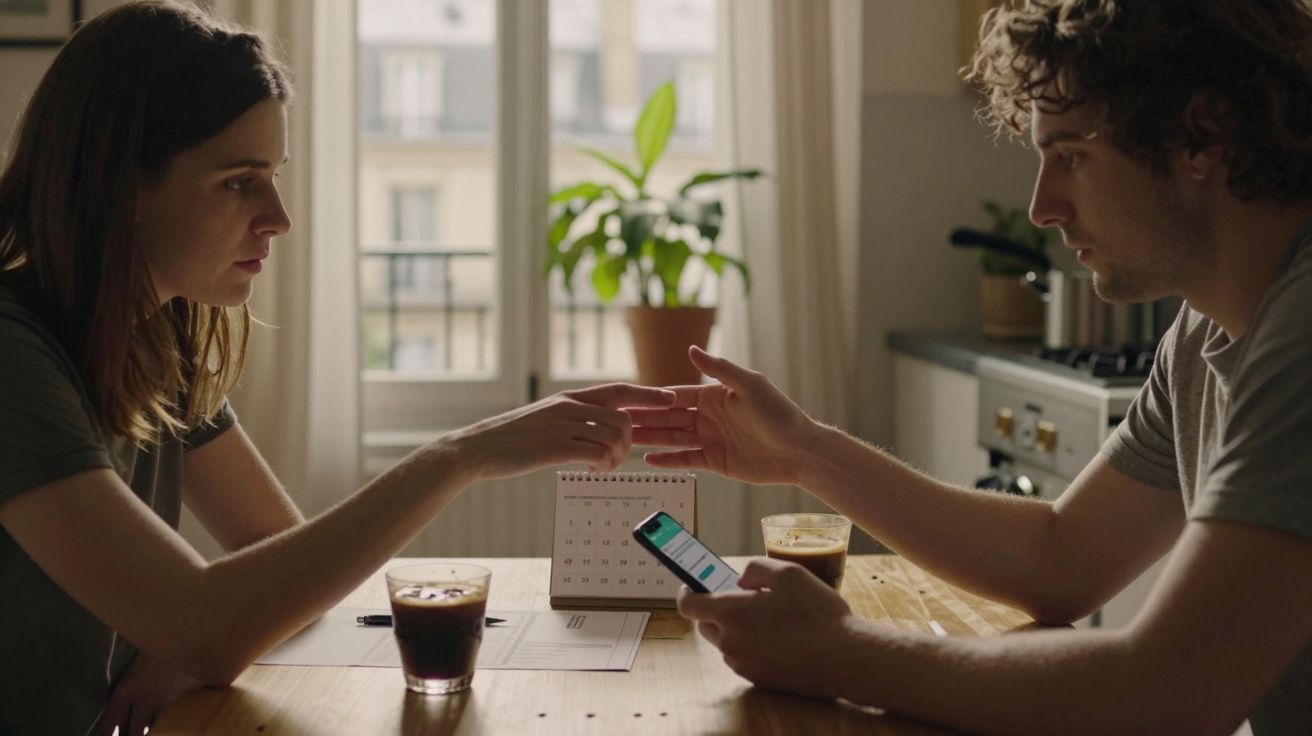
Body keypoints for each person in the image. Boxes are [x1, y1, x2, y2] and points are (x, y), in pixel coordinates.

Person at [631, 1, 1312, 734]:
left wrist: (837, 652)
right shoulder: (1206, 329)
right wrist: (805, 452)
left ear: (1202, 138)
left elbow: (1167, 690)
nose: (1042, 207)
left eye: (1072, 157)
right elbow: (1062, 557)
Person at [0, 3, 676, 735]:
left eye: (275, 176)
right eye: (238, 181)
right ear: (121, 184)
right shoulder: (11, 354)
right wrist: (462, 455)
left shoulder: (158, 339)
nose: (279, 217)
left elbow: (266, 549)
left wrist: (178, 651)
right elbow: (205, 623)